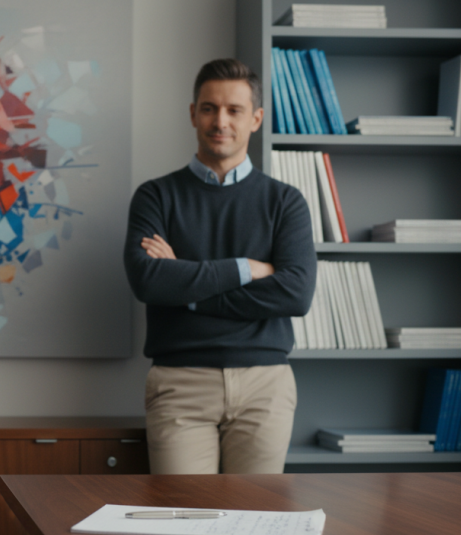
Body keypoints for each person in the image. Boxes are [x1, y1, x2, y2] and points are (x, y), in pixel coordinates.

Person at [123, 58, 316, 475]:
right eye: (209, 108)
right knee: (183, 522)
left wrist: (188, 291)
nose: (220, 121)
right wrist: (247, 268)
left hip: (265, 383)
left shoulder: (286, 202)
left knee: (256, 522)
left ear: (256, 119)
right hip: (181, 383)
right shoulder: (155, 197)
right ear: (193, 113)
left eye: (234, 110)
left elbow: (296, 294)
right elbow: (148, 280)